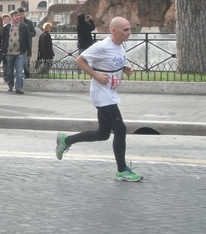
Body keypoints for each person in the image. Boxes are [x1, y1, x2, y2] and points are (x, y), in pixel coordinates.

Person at [55, 16, 143, 182]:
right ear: (113, 31)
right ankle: (122, 170)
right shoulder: (102, 46)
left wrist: (124, 68)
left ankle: (66, 140)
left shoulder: (121, 45)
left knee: (102, 134)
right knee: (120, 129)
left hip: (111, 93)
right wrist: (95, 75)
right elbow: (79, 60)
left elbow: (112, 62)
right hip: (102, 95)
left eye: (129, 29)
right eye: (126, 30)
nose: (129, 33)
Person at [1, 9, 31, 94]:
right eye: (15, 16)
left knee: (19, 71)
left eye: (18, 15)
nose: (18, 17)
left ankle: (18, 88)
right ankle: (10, 85)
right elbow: (3, 39)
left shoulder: (24, 26)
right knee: (9, 71)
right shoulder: (6, 27)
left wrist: (29, 52)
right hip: (9, 53)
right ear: (11, 17)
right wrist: (3, 51)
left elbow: (28, 40)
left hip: (20, 53)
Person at [17, 7, 36, 78]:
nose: (21, 16)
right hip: (17, 46)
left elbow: (34, 33)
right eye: (19, 14)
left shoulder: (29, 23)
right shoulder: (16, 23)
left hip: (27, 45)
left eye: (22, 14)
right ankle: (18, 76)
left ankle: (27, 76)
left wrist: (27, 34)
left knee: (26, 62)